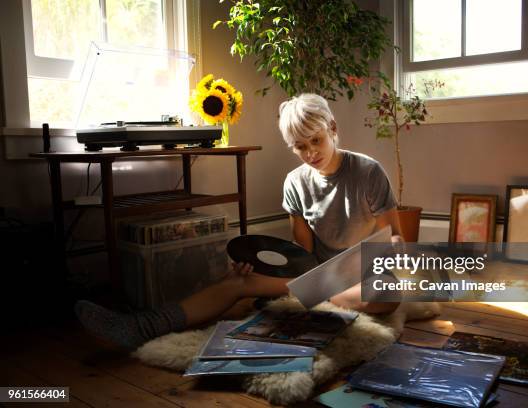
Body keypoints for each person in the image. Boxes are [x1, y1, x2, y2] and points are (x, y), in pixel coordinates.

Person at [75, 93, 403, 349]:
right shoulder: (294, 182)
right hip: (316, 274)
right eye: (300, 147)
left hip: (359, 273)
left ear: (333, 129)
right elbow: (299, 255)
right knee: (236, 282)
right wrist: (263, 269)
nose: (310, 153)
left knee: (386, 295)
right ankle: (140, 327)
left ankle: (321, 296)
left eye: (316, 141)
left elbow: (394, 239)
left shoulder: (368, 172)